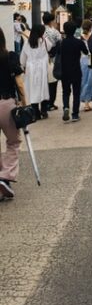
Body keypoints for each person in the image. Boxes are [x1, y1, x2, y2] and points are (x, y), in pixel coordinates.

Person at [0, 26, 27, 200]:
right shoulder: (10, 57)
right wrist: (24, 103)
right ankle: (5, 176)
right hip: (6, 103)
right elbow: (19, 83)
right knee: (13, 141)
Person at [59, 21, 88, 123]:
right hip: (76, 70)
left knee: (66, 92)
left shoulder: (62, 43)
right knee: (76, 92)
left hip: (64, 70)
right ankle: (75, 114)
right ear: (75, 30)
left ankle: (66, 107)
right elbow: (86, 52)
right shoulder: (78, 42)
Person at [20, 24, 49, 120]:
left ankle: (35, 112)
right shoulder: (44, 41)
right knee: (43, 88)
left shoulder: (27, 43)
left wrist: (23, 66)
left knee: (33, 90)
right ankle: (44, 110)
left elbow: (23, 58)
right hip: (42, 68)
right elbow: (50, 47)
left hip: (31, 69)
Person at [42, 11, 61, 112]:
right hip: (52, 59)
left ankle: (45, 103)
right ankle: (51, 102)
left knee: (44, 82)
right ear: (51, 21)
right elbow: (59, 43)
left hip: (41, 58)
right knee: (53, 81)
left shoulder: (40, 30)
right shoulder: (54, 32)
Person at [80, 19, 92, 112]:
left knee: (84, 81)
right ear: (91, 27)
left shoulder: (80, 37)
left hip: (83, 59)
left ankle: (86, 101)